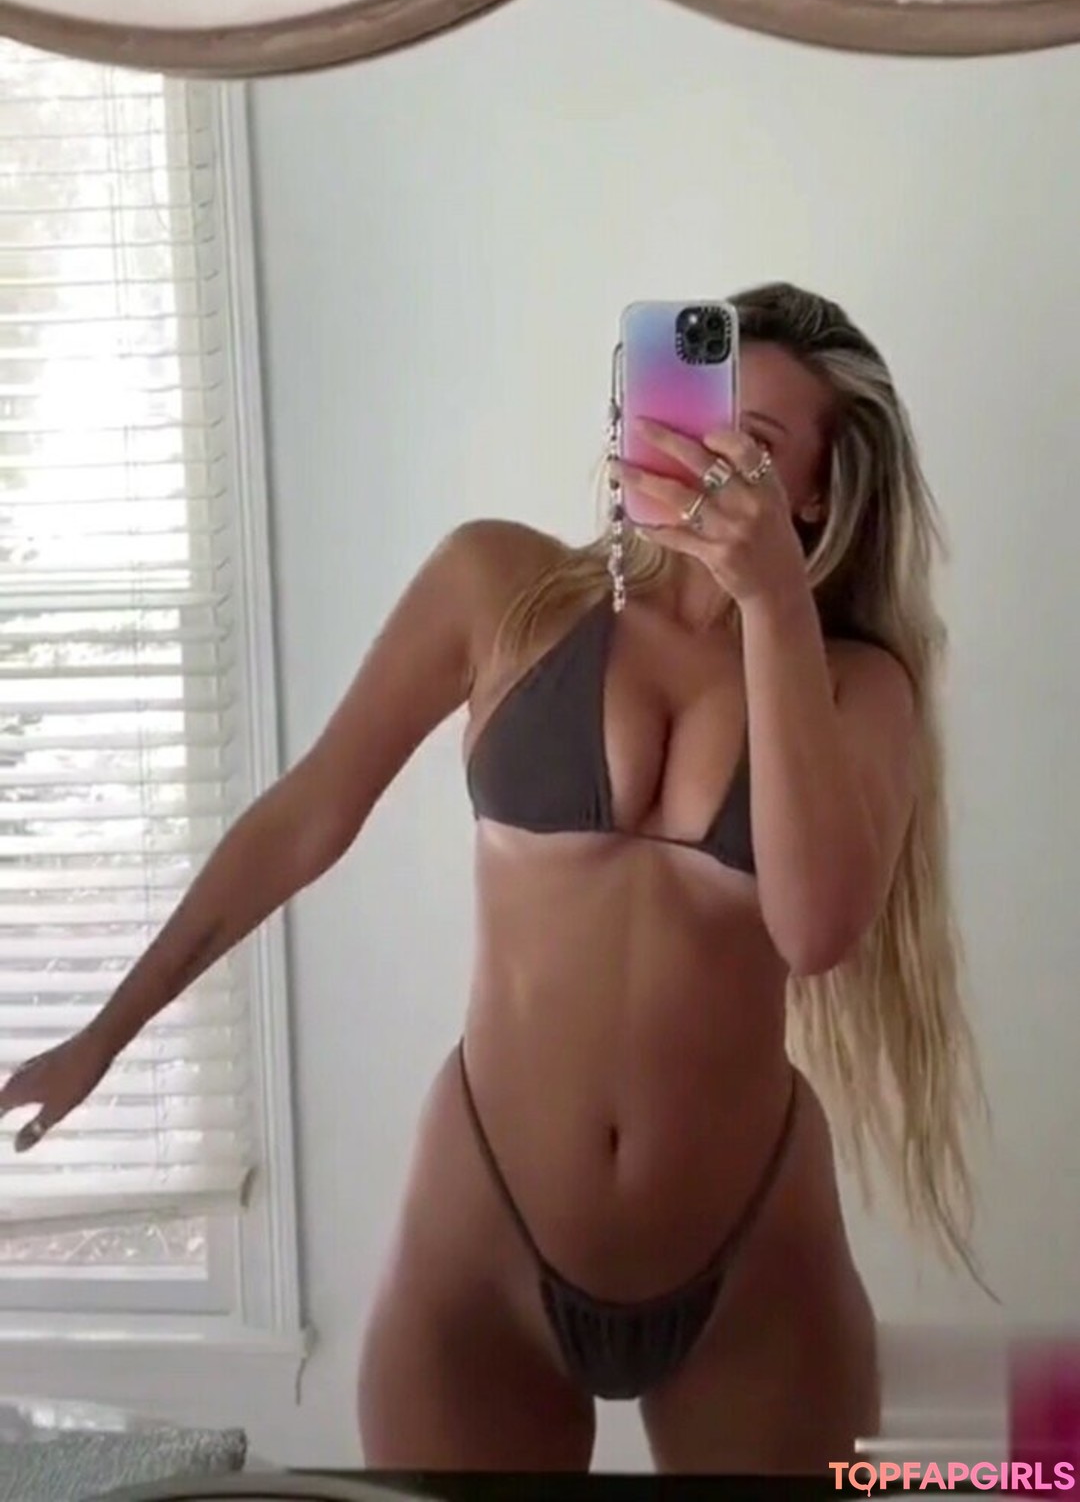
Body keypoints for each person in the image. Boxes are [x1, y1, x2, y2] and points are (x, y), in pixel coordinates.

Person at [0, 283, 987, 1475]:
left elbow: (816, 928)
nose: (714, 461)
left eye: (759, 448)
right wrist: (107, 1031)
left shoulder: (852, 685)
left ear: (819, 494)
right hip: (483, 1241)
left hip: (752, 1256)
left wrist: (772, 598)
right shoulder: (501, 586)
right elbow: (308, 813)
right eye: (705, 418)